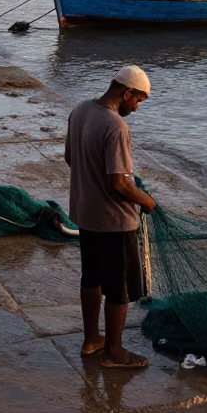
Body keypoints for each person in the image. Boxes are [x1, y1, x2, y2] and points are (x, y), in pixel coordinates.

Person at [64, 65, 155, 368]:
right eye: (138, 101)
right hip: (114, 221)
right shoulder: (116, 126)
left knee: (91, 278)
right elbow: (117, 182)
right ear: (126, 92)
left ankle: (92, 340)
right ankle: (114, 353)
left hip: (85, 213)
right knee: (119, 289)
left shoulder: (79, 111)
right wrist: (147, 200)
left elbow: (69, 157)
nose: (136, 108)